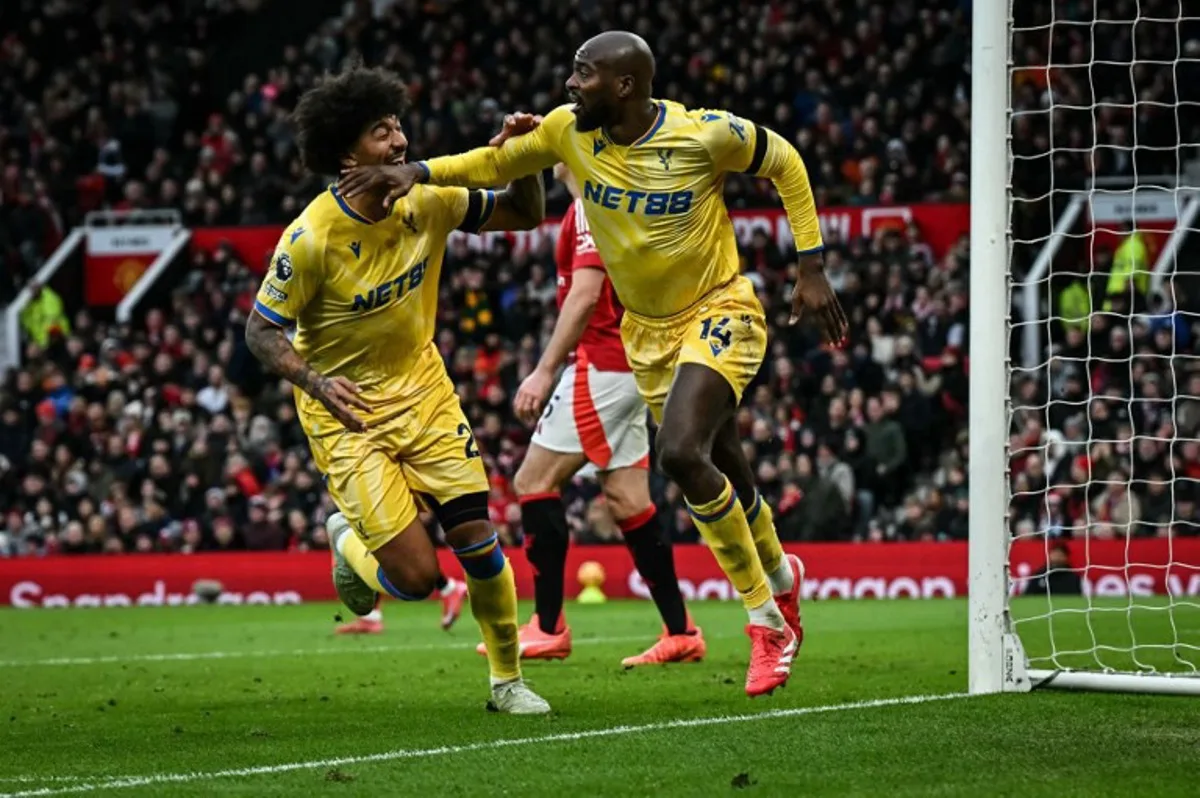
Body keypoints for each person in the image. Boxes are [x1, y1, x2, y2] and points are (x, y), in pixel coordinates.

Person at [338, 32, 849, 696]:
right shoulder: (567, 134)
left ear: (625, 86)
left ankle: (764, 621)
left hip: (721, 310)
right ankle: (782, 580)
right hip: (647, 335)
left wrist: (810, 268)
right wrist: (420, 171)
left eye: (584, 74)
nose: (571, 84)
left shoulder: (703, 135)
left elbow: (786, 160)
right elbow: (493, 167)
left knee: (680, 454)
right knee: (722, 463)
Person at [245, 66, 550, 713]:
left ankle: (507, 681)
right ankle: (346, 541)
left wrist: (523, 157)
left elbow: (525, 211)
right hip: (347, 413)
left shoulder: (428, 198)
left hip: (425, 392)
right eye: (381, 132)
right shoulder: (310, 239)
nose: (400, 141)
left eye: (398, 126)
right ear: (345, 154)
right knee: (415, 580)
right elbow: (260, 332)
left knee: (478, 540)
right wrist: (313, 380)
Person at [485, 163, 705, 666]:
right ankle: (682, 631)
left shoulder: (588, 206)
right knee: (627, 500)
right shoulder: (609, 201)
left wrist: (544, 370)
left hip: (602, 365)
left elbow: (585, 295)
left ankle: (547, 626)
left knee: (533, 481)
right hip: (627, 364)